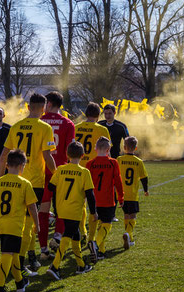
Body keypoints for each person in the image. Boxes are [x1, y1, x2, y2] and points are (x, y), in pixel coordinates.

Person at [0, 93, 56, 276]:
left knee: (21, 222)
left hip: (14, 179)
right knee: (29, 223)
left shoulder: (15, 126)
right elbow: (47, 156)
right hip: (34, 181)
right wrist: (56, 175)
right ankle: (21, 263)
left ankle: (29, 256)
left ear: (29, 107)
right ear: (44, 107)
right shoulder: (44, 127)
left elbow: (3, 156)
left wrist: (2, 178)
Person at [0, 149, 39, 292]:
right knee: (8, 253)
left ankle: (20, 282)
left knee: (13, 253)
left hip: (1, 224)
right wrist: (37, 225)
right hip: (14, 224)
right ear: (22, 166)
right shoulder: (25, 183)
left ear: (6, 165)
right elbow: (32, 207)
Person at [46, 141, 96, 280]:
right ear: (83, 156)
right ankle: (55, 266)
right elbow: (90, 195)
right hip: (74, 208)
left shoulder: (61, 169)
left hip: (62, 208)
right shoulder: (84, 172)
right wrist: (94, 212)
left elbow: (51, 187)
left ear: (67, 155)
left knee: (76, 235)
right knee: (68, 235)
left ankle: (81, 265)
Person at [39, 91, 75, 259]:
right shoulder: (68, 124)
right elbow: (69, 151)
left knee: (43, 211)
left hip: (41, 172)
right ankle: (58, 236)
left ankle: (43, 249)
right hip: (60, 172)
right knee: (61, 208)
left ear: (50, 104)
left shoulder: (39, 121)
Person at [75, 102, 110, 238]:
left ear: (85, 114)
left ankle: (82, 230)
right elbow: (108, 151)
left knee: (80, 201)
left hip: (78, 165)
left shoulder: (76, 127)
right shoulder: (102, 129)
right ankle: (91, 235)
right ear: (98, 115)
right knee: (95, 201)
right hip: (95, 169)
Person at [85, 137, 123, 262]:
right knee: (107, 224)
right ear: (109, 149)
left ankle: (101, 251)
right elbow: (118, 181)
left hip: (93, 201)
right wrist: (121, 197)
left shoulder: (90, 164)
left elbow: (86, 184)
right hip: (107, 200)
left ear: (95, 149)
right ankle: (96, 244)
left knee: (99, 225)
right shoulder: (113, 163)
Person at [116, 136, 149, 249]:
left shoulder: (119, 160)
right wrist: (145, 190)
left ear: (124, 147)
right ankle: (129, 234)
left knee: (126, 215)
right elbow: (144, 177)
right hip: (133, 194)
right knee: (133, 215)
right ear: (135, 148)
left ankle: (128, 236)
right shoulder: (138, 161)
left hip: (121, 194)